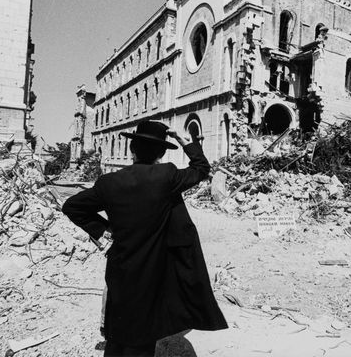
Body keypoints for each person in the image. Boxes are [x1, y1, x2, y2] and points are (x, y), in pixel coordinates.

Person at [62, 120, 227, 357]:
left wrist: (106, 230)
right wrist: (183, 141)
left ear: (132, 150)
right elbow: (201, 168)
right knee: (142, 337)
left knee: (118, 333)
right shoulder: (166, 176)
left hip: (120, 266)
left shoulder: (109, 182)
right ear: (161, 153)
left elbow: (72, 206)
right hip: (152, 270)